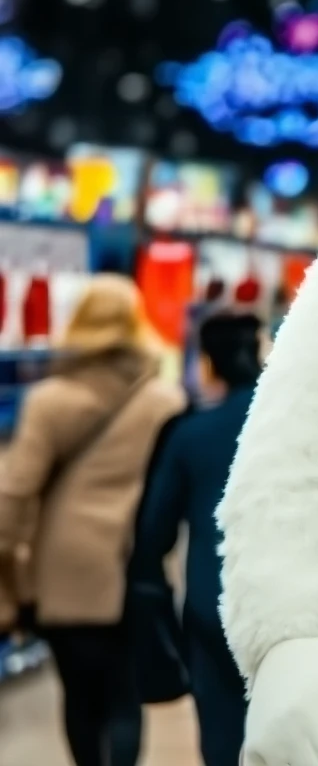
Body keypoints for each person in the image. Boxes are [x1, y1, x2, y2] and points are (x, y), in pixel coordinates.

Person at [0, 274, 186, 766]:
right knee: (126, 694)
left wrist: (9, 568)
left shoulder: (51, 400)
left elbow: (15, 492)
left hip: (64, 570)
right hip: (135, 563)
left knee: (80, 698)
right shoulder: (164, 401)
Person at [129, 310, 264, 766]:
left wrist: (158, 613)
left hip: (214, 608)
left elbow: (152, 536)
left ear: (207, 364)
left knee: (225, 738)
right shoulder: (294, 424)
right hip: (297, 607)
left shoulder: (191, 434)